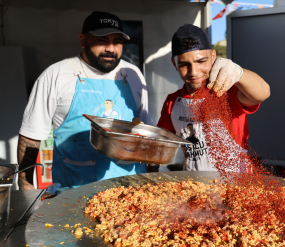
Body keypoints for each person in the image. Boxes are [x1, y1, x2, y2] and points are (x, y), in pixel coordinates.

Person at [18, 11, 152, 189]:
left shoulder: (133, 75)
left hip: (130, 189)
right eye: (102, 40)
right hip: (73, 190)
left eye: (117, 41)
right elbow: (30, 137)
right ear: (83, 40)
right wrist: (26, 192)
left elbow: (145, 131)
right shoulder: (56, 75)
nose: (111, 49)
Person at [157, 24, 270, 171]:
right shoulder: (173, 101)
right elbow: (160, 144)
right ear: (174, 63)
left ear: (213, 56)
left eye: (201, 61)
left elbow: (263, 93)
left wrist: (240, 74)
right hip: (194, 185)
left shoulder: (229, 92)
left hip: (235, 185)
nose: (194, 72)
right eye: (184, 64)